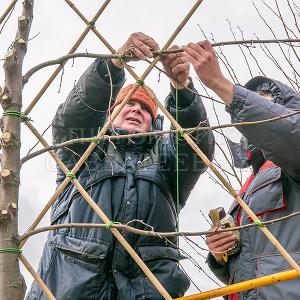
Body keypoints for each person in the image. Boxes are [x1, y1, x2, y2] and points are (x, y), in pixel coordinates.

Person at [26, 33, 215, 300]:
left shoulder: (169, 164)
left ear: (154, 121)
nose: (136, 110)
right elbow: (71, 119)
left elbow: (198, 148)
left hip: (149, 292)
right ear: (110, 113)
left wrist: (182, 92)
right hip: (67, 290)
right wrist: (112, 67)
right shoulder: (83, 152)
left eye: (145, 108)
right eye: (128, 104)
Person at [183, 40, 300, 299]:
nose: (252, 115)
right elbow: (252, 265)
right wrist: (220, 254)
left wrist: (220, 84)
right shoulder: (251, 186)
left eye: (264, 104)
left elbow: (288, 133)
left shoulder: (292, 163)